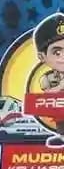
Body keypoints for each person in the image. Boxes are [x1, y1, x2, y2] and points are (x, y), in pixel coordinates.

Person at [33, 13, 64, 146]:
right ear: (42, 57)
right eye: (57, 52)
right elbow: (47, 94)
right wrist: (60, 86)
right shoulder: (49, 78)